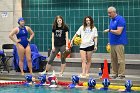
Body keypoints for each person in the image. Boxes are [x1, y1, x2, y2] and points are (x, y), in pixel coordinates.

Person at [104, 6, 128, 79]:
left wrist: (109, 30)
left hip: (119, 42)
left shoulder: (120, 19)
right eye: (108, 13)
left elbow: (119, 32)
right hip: (112, 43)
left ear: (114, 12)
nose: (108, 14)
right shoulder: (112, 20)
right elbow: (112, 33)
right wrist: (109, 42)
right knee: (113, 59)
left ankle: (121, 74)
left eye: (110, 13)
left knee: (120, 59)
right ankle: (114, 73)